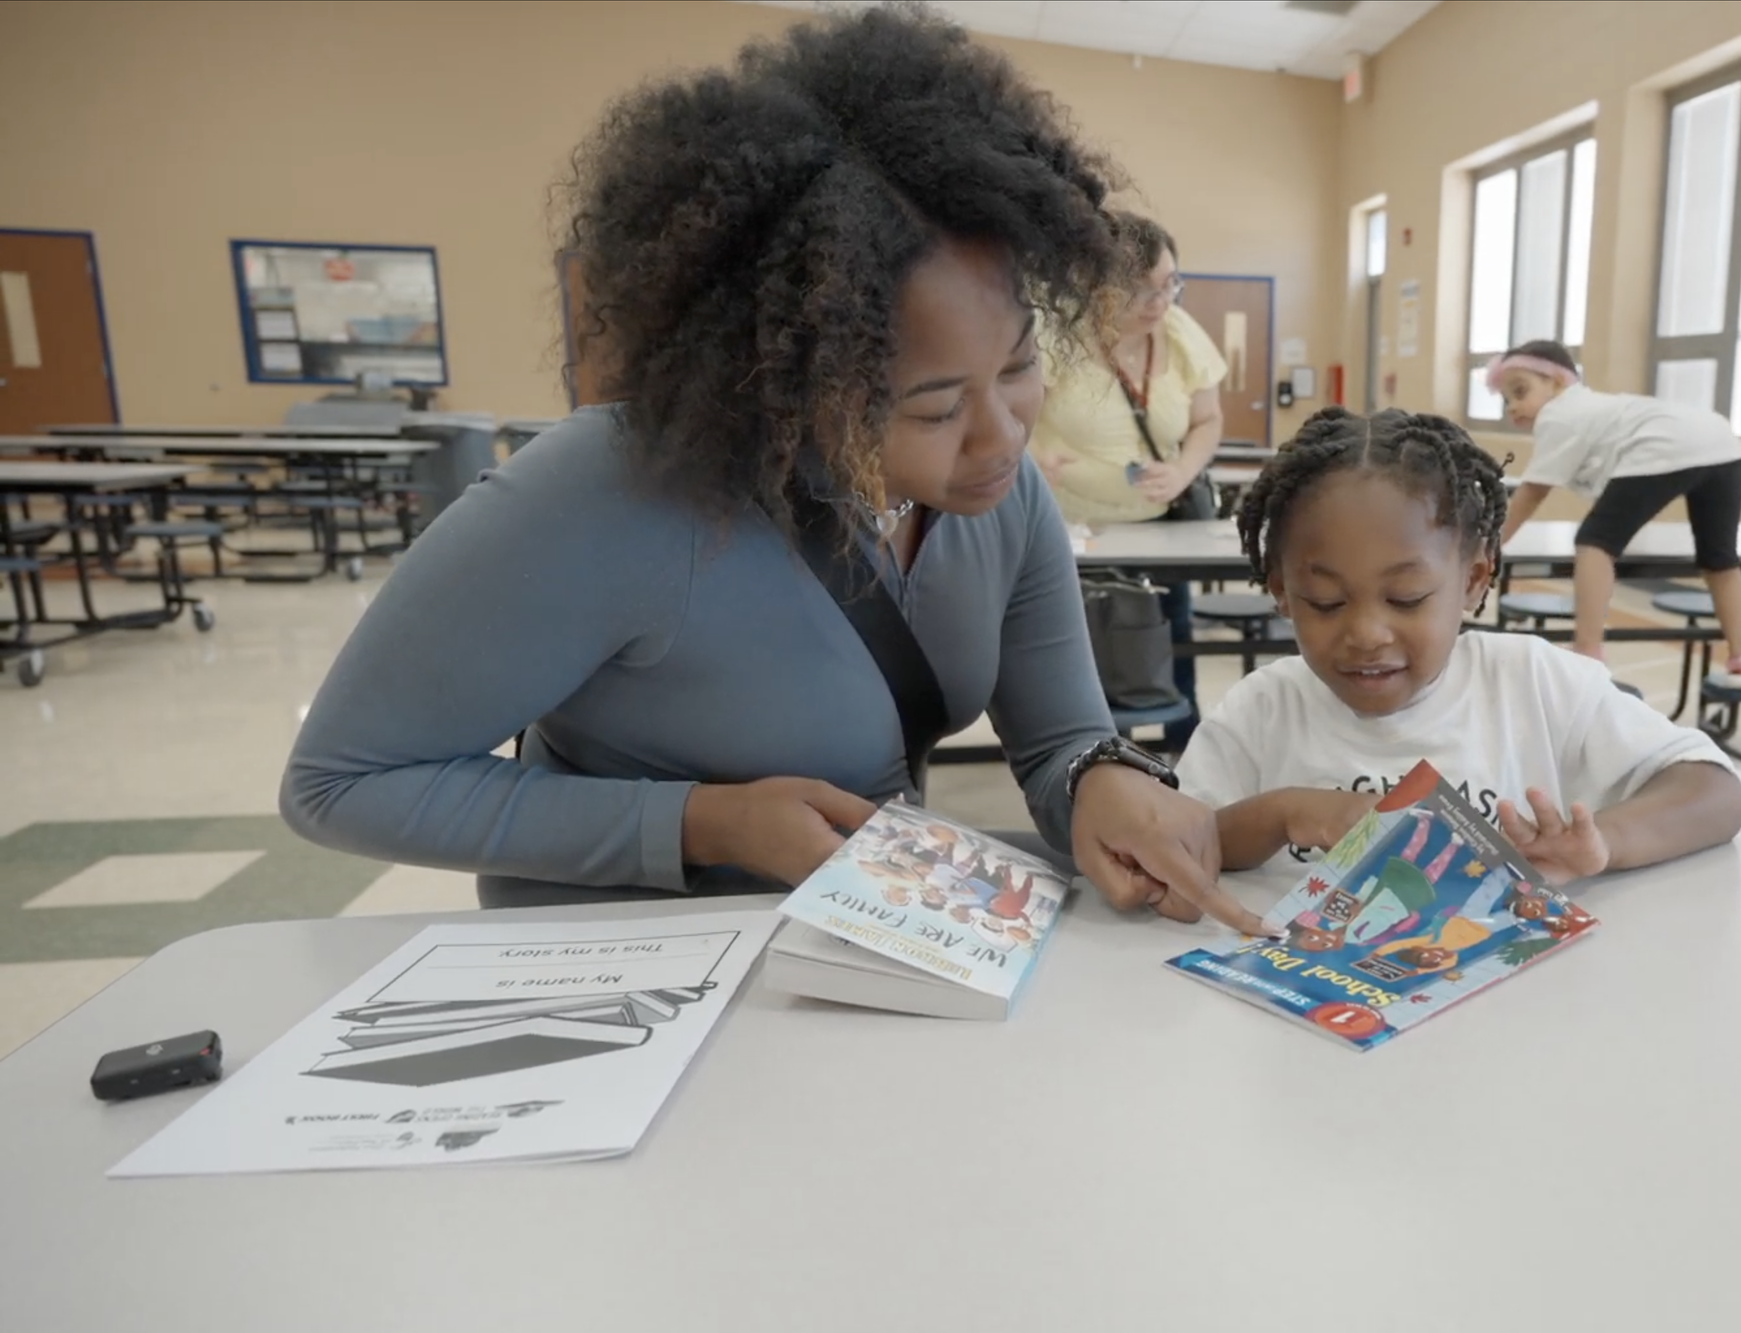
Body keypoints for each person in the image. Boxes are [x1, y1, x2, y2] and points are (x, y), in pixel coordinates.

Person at [279, 7, 1266, 934]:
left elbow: (1059, 742)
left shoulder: (1003, 505)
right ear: (791, 379)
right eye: (931, 405)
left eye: (1017, 364)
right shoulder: (611, 491)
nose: (999, 436)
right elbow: (339, 782)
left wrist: (1104, 778)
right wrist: (702, 822)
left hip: (857, 956)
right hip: (623, 971)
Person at [1175, 407, 1741, 878]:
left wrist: (1606, 841)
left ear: (1473, 581)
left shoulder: (1533, 683)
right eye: (1325, 603)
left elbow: (1716, 794)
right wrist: (1284, 813)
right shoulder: (1261, 711)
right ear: (1282, 592)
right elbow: (1177, 843)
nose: (1368, 634)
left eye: (1407, 598)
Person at [1031, 213, 1226, 749]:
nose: (1160, 304)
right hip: (1070, 531)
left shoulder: (1181, 334)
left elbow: (1209, 420)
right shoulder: (1056, 334)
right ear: (1095, 284)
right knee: (1083, 658)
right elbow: (1008, 413)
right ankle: (1087, 757)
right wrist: (1029, 457)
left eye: (1170, 285)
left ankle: (1183, 755)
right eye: (1142, 291)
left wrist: (1184, 469)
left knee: (1170, 646)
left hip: (1161, 529)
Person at [1489, 341, 1741, 685]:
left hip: (1664, 444)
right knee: (1720, 559)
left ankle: (1587, 652)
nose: (1514, 406)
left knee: (1595, 542)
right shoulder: (1596, 409)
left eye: (1521, 391)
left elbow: (1532, 492)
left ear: (1559, 383)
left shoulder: (1561, 413)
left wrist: (1490, 546)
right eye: (1507, 400)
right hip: (1724, 446)